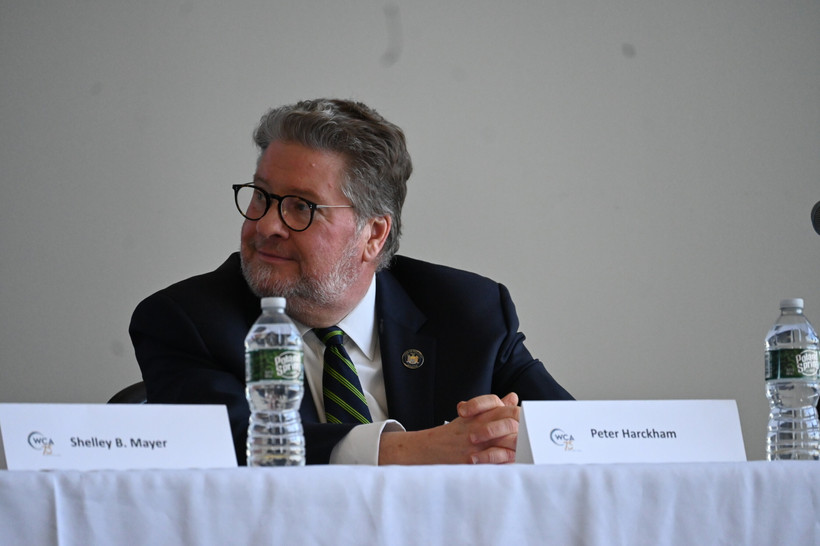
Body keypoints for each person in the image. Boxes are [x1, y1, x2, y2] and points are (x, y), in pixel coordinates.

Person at [129, 98, 573, 466]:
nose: (266, 225)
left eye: (301, 207)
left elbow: (576, 439)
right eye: (262, 196)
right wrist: (412, 449)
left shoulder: (468, 310)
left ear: (373, 234)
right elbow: (232, 446)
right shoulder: (186, 321)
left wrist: (510, 434)